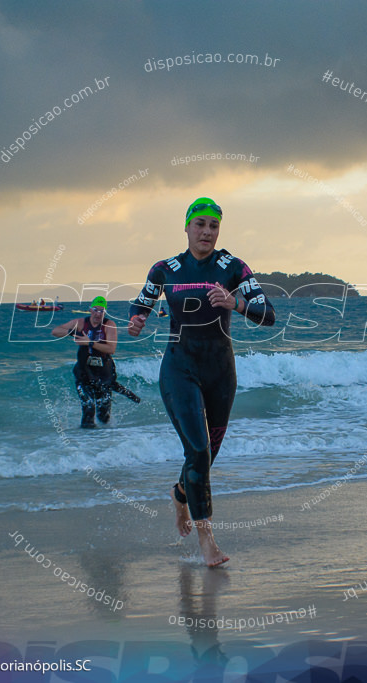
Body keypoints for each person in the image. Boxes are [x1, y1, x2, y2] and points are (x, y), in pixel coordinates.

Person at [128, 197, 276, 567]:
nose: (207, 231)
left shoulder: (233, 268)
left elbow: (268, 315)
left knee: (206, 456)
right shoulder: (166, 269)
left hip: (220, 372)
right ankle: (206, 541)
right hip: (179, 368)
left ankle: (180, 495)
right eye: (200, 224)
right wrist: (137, 320)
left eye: (214, 225)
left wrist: (235, 304)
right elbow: (141, 303)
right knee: (197, 451)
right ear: (187, 227)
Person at [52, 296, 118, 428]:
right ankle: (86, 445)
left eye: (101, 311)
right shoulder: (81, 323)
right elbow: (55, 331)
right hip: (84, 372)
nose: (98, 314)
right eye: (95, 309)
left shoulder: (109, 325)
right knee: (89, 408)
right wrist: (72, 332)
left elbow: (111, 349)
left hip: (103, 373)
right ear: (90, 310)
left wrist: (90, 343)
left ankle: (105, 442)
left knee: (103, 415)